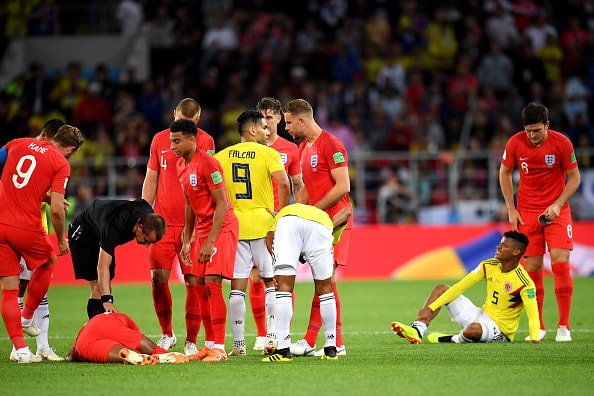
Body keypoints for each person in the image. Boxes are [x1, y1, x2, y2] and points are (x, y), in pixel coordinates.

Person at [0, 125, 84, 363]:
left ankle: (22, 350)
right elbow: (57, 210)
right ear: (70, 148)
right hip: (26, 227)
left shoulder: (19, 142)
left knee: (9, 287)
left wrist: (42, 194)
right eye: (72, 152)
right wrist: (60, 239)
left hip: (0, 224)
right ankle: (27, 318)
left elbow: (19, 176)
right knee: (48, 261)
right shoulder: (60, 163)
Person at [499, 102, 580, 342]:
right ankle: (540, 327)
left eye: (537, 130)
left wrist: (557, 204)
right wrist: (511, 209)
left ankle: (564, 325)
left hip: (557, 211)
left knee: (560, 262)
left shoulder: (562, 143)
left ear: (546, 125)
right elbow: (503, 172)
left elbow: (574, 179)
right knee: (533, 268)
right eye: (528, 131)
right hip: (526, 213)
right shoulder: (514, 142)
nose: (532, 136)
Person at [142, 98, 215, 356]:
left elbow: (208, 184)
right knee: (157, 278)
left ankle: (191, 340)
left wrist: (199, 226)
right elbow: (152, 177)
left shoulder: (206, 142)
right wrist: (144, 211)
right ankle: (167, 333)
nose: (180, 127)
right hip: (162, 223)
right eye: (178, 120)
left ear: (197, 123)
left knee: (193, 281)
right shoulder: (159, 140)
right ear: (174, 114)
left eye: (188, 123)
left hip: (192, 225)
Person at [214, 110, 290, 356]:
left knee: (237, 286)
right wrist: (279, 215)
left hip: (235, 226)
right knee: (270, 282)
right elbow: (284, 183)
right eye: (263, 127)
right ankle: (270, 337)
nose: (267, 131)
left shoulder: (222, 156)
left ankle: (238, 345)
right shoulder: (269, 153)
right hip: (263, 225)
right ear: (252, 130)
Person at [283, 99, 352, 357]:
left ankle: (316, 340)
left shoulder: (332, 144)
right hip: (317, 221)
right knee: (323, 281)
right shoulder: (303, 148)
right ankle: (329, 341)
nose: (286, 127)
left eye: (289, 122)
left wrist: (315, 212)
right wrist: (291, 215)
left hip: (337, 221)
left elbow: (343, 186)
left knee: (326, 279)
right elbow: (307, 192)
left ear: (302, 120)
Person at [391, 231, 542, 344]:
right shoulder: (488, 265)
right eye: (500, 243)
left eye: (504, 245)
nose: (499, 247)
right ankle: (418, 328)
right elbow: (459, 287)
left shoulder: (524, 282)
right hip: (480, 315)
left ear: (516, 252)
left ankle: (454, 339)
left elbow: (533, 316)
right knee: (442, 288)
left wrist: (534, 338)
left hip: (500, 330)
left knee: (473, 330)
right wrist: (431, 308)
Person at [171, 119, 239, 362]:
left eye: (177, 141)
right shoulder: (180, 165)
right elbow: (190, 201)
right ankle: (209, 344)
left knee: (212, 282)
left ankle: (220, 348)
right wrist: (187, 237)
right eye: (171, 141)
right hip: (201, 230)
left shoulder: (208, 163)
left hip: (222, 228)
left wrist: (210, 241)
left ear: (192, 139)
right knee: (198, 285)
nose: (173, 146)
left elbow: (222, 203)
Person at [246, 97, 303, 351]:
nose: (266, 122)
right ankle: (262, 334)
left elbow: (298, 185)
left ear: (280, 118)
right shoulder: (251, 148)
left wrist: (296, 213)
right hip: (254, 219)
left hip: (280, 222)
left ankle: (279, 332)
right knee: (256, 278)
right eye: (263, 117)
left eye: (271, 117)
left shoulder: (290, 149)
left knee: (281, 277)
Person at [9, 119, 68, 362]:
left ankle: (41, 346)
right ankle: (19, 346)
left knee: (37, 288)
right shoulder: (32, 153)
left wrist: (45, 195)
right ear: (45, 136)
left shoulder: (24, 152)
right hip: (21, 227)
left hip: (35, 226)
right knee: (21, 286)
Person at [262, 203, 351, 362]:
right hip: (321, 224)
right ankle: (331, 348)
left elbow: (269, 238)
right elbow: (346, 214)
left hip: (290, 222)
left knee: (284, 288)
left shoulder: (283, 213)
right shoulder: (330, 227)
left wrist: (276, 268)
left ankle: (283, 350)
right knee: (325, 288)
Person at [68, 199, 166, 319]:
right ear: (140, 226)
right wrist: (107, 301)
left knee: (106, 288)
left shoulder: (147, 214)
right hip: (84, 233)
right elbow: (102, 267)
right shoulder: (114, 225)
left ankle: (101, 327)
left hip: (100, 232)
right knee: (99, 289)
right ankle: (95, 332)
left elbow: (132, 201)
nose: (146, 245)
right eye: (146, 240)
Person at [66, 312, 188, 364]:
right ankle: (161, 355)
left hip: (84, 346)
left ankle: (136, 356)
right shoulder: (125, 321)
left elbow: (70, 356)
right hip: (108, 323)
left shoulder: (78, 346)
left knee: (125, 353)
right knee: (151, 349)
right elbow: (139, 340)